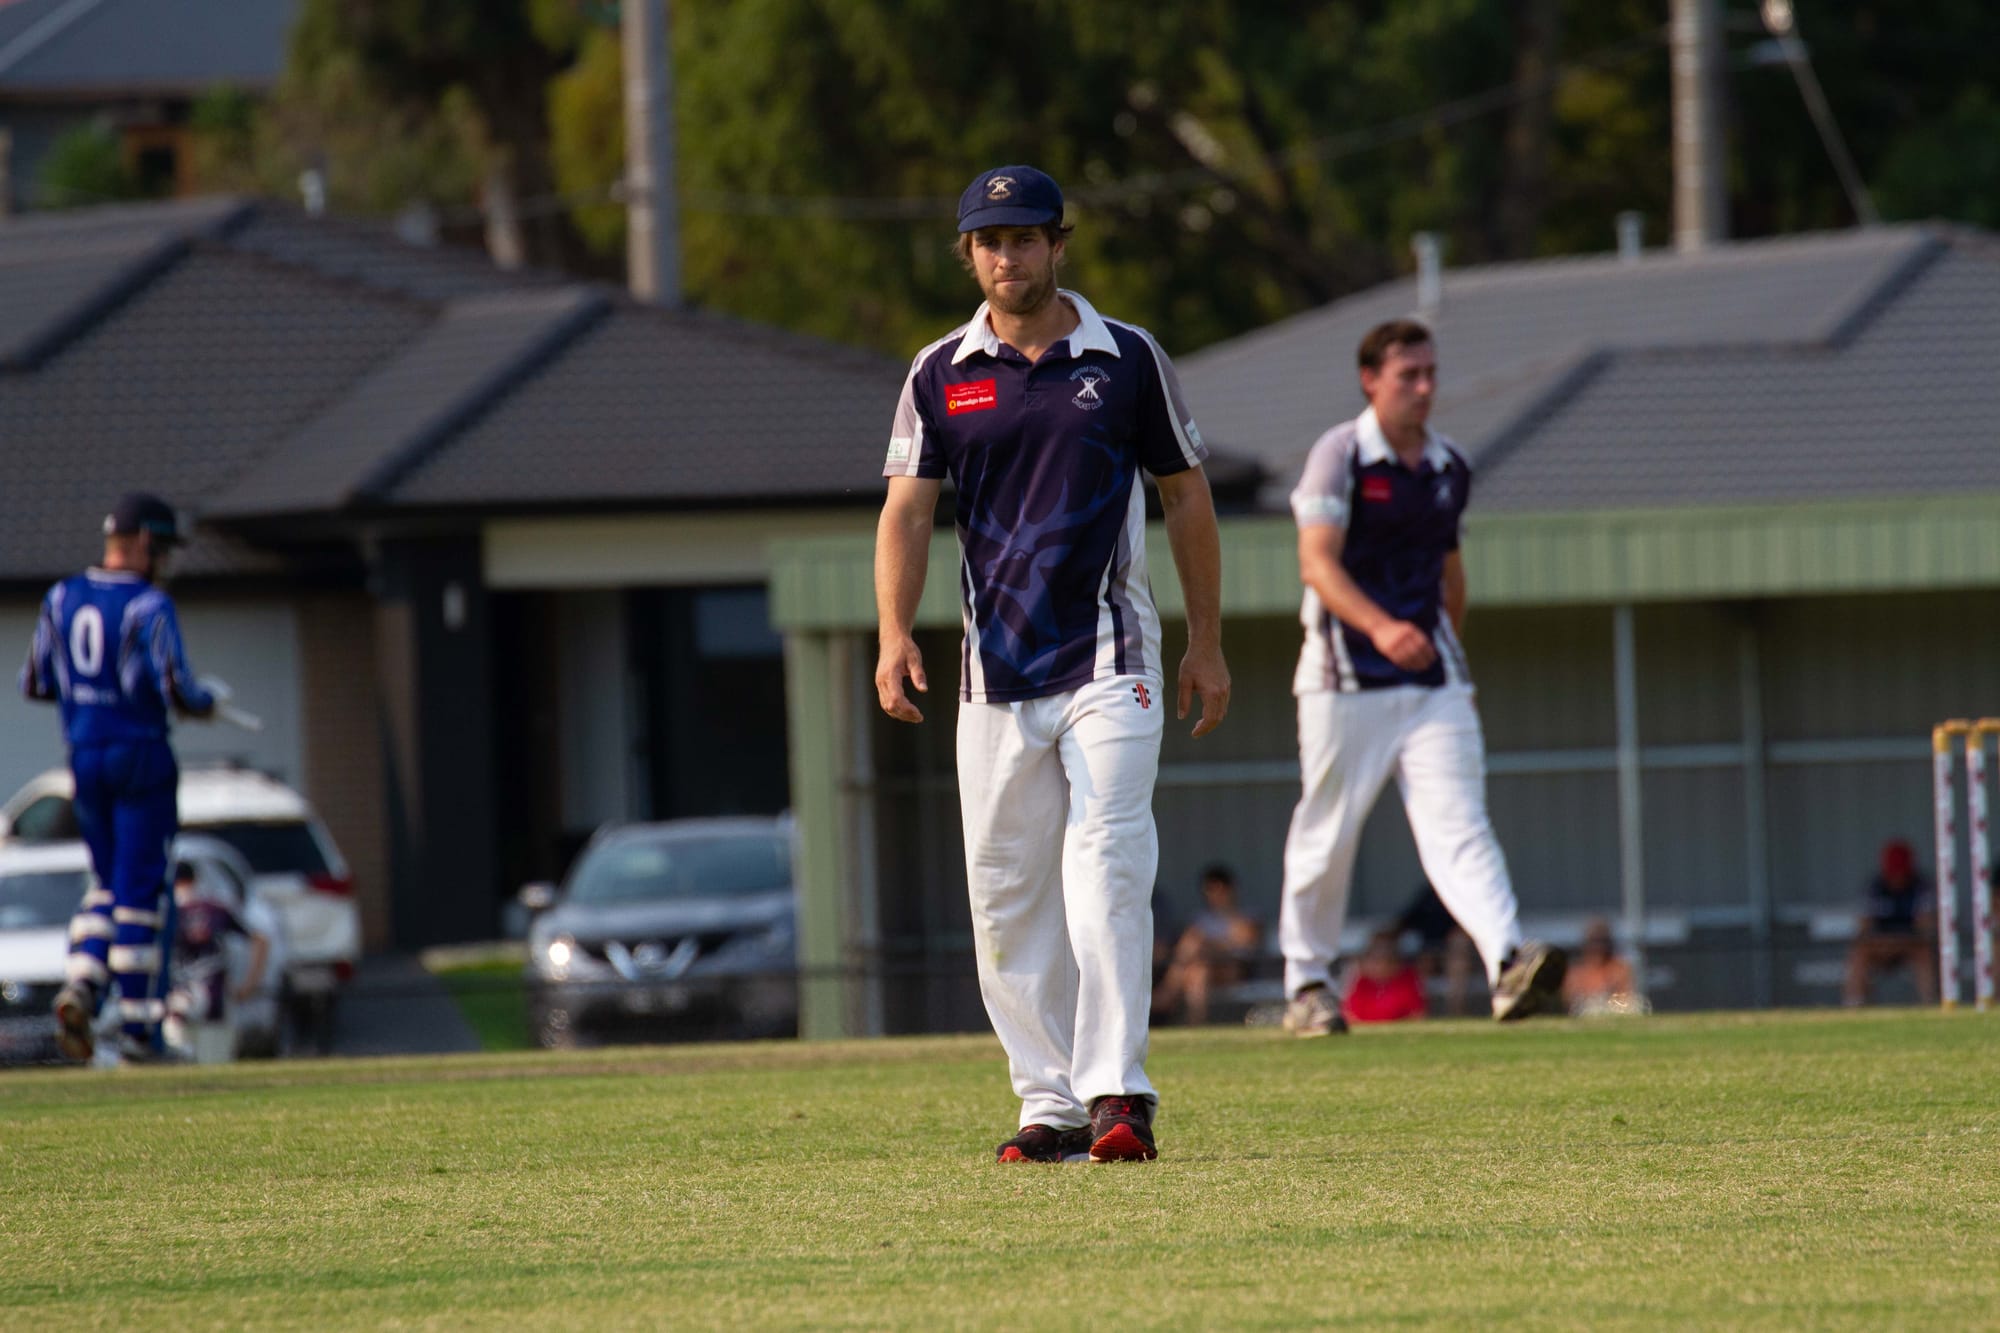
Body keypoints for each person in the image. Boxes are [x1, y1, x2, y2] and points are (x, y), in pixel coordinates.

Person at [875, 164, 1230, 1164]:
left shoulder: (1123, 358)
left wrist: (1204, 640)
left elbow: (1185, 496)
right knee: (1003, 889)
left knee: (1105, 859)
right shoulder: (938, 370)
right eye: (990, 241)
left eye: (1026, 236)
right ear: (968, 253)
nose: (1008, 254)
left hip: (1110, 655)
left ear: (1057, 242)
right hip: (993, 672)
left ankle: (1119, 1091)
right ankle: (1050, 1102)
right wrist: (893, 633)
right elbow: (904, 510)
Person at [1276, 320, 1564, 1038]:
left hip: (1432, 681)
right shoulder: (1339, 454)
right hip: (1343, 677)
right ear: (1370, 379)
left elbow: (1450, 574)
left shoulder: (1449, 466)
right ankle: (1308, 984)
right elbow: (1317, 562)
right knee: (1328, 833)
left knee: (1461, 825)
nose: (1425, 387)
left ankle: (1506, 964)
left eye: (1432, 372)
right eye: (1409, 375)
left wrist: (1445, 657)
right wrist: (1381, 628)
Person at [20, 493, 216, 1062]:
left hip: (82, 755)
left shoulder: (61, 597)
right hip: (139, 755)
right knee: (140, 893)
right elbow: (176, 684)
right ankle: (138, 1033)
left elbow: (34, 682)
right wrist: (203, 703)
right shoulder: (147, 606)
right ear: (146, 543)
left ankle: (82, 983)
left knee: (105, 886)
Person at [164, 860, 270, 1046]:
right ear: (194, 879)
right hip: (215, 998)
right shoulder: (216, 908)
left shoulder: (168, 912)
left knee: (175, 1038)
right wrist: (249, 984)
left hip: (181, 998)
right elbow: (260, 940)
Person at [1152, 864, 1263, 1026]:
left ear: (1230, 889)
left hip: (1236, 969)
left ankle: (1168, 992)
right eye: (1210, 890)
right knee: (1199, 972)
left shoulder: (1247, 915)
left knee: (1197, 944)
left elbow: (1246, 942)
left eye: (1220, 889)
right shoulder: (1201, 918)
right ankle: (1196, 1026)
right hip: (1205, 967)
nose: (1215, 895)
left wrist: (1210, 944)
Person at [1843, 839, 1938, 1006]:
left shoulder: (1921, 887)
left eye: (1901, 872)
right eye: (1893, 873)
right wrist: (1885, 943)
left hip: (1910, 945)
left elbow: (1924, 927)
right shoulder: (1874, 888)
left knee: (1924, 953)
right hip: (1880, 946)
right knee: (1859, 953)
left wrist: (1898, 941)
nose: (1897, 878)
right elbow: (1863, 928)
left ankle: (1929, 1004)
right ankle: (1854, 1006)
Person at [1395, 879, 1476, 1016]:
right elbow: (1406, 921)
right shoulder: (1428, 897)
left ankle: (1456, 1010)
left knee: (1458, 958)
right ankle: (1419, 1012)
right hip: (1429, 952)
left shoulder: (1464, 896)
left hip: (1456, 954)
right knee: (1423, 964)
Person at [1340, 928, 1428, 1024]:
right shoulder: (1359, 981)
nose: (1382, 965)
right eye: (1375, 960)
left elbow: (1417, 1014)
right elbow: (1349, 1014)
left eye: (1387, 959)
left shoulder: (1408, 978)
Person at [1562, 917, 1641, 1015]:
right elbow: (1569, 1000)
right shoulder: (1576, 974)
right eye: (1594, 941)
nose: (1598, 947)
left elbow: (1627, 999)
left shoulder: (1619, 969)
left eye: (1602, 941)